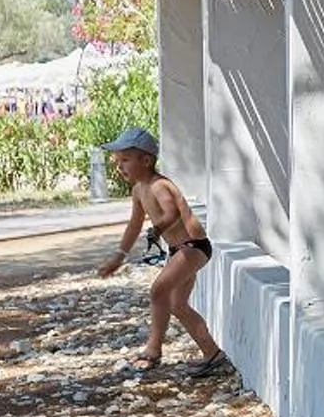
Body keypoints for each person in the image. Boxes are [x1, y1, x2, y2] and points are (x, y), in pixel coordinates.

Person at [96, 128, 233, 378]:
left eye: (125, 160)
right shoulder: (138, 190)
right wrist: (119, 255)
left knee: (159, 290)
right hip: (180, 249)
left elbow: (172, 214)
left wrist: (158, 229)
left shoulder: (159, 185)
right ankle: (213, 354)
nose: (119, 167)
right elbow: (134, 225)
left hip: (193, 246)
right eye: (117, 162)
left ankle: (153, 350)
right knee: (177, 304)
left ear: (146, 161)